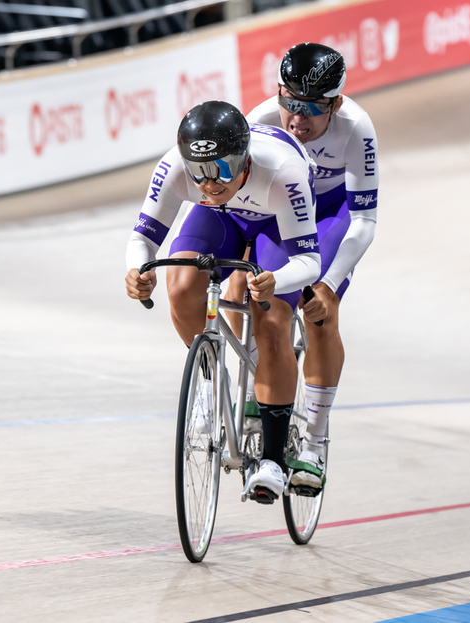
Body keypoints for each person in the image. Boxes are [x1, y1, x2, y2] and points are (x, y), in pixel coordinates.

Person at [124, 100, 321, 502]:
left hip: (275, 223)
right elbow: (144, 238)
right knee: (179, 288)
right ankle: (213, 384)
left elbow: (309, 260)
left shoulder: (284, 173)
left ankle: (272, 461)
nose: (209, 183)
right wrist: (138, 270)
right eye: (198, 172)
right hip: (222, 217)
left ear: (244, 158)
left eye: (221, 170)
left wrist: (277, 281)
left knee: (270, 321)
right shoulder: (178, 168)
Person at [226, 42, 379, 491]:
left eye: (312, 107)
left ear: (335, 103)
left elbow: (365, 219)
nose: (298, 118)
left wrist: (329, 284)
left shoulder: (356, 128)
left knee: (318, 314)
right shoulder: (257, 123)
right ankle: (262, 374)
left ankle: (313, 439)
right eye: (290, 102)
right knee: (249, 296)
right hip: (279, 213)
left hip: (330, 214)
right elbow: (237, 206)